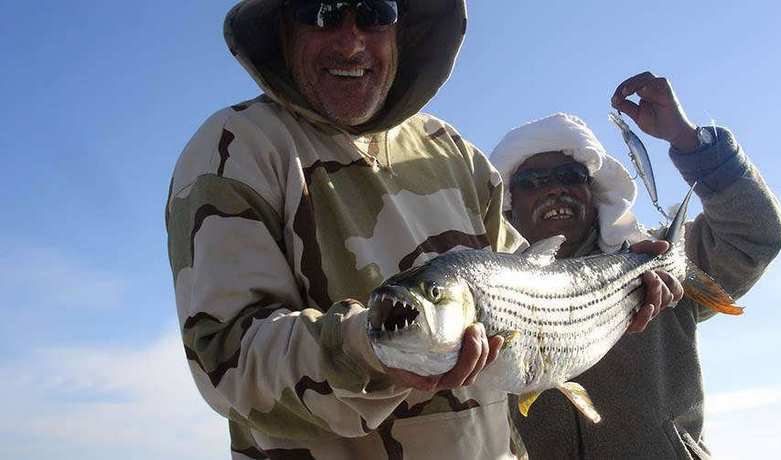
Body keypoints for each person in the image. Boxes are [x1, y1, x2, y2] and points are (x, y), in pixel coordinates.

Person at [166, 2, 681, 458]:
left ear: (403, 29)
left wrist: (620, 297)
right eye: (320, 11)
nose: (349, 41)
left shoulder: (453, 151)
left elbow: (530, 289)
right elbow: (228, 359)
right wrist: (370, 353)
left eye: (374, 12)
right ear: (284, 27)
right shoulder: (238, 148)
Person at [488, 72, 781, 459]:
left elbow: (755, 232)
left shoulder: (654, 254)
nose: (554, 188)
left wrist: (687, 139)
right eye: (533, 181)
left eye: (570, 176)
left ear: (593, 193)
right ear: (509, 203)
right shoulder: (491, 288)